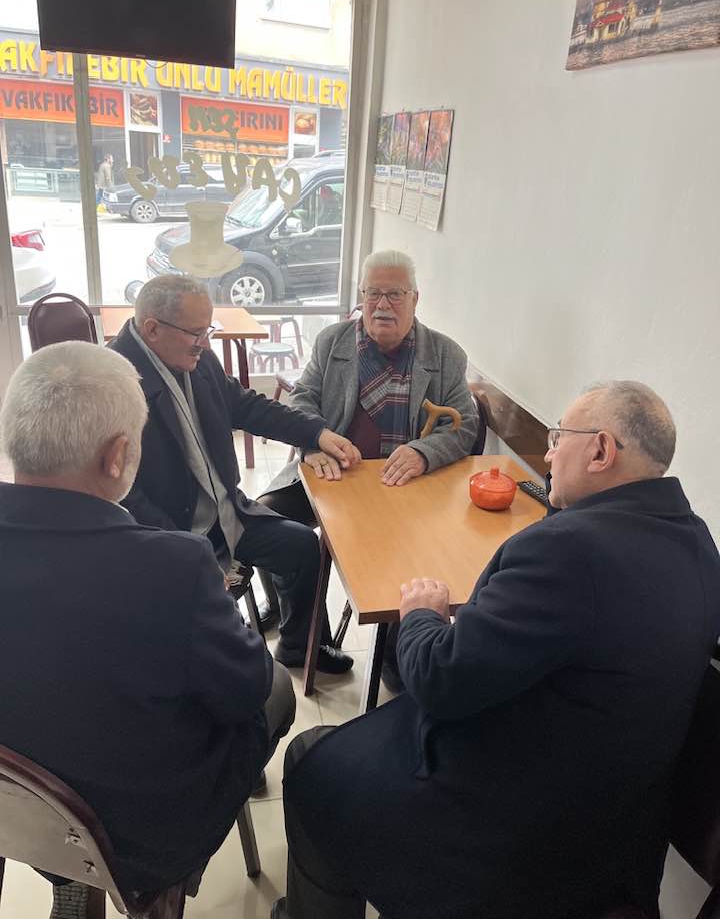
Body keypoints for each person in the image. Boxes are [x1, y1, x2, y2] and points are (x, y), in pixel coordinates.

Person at [273, 381, 720, 919]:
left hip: (518, 829)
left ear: (600, 450)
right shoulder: (698, 543)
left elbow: (438, 679)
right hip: (620, 826)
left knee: (312, 762)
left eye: (558, 437)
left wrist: (421, 614)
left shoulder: (567, 550)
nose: (548, 454)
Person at [0, 342, 296, 919]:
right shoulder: (173, 566)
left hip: (17, 794)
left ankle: (60, 866)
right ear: (117, 457)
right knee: (275, 686)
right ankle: (132, 873)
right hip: (133, 833)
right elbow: (244, 691)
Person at [110, 273, 358, 674]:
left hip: (227, 514)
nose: (205, 343)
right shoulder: (113, 382)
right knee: (220, 639)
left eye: (207, 330)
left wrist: (316, 434)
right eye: (195, 333)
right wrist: (185, 552)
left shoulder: (197, 359)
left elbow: (246, 406)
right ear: (152, 329)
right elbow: (123, 495)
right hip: (170, 531)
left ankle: (298, 647)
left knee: (302, 547)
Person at [260, 248, 478, 688]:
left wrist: (424, 452)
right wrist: (315, 440)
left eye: (395, 294)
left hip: (407, 486)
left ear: (415, 298)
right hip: (335, 475)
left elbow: (465, 426)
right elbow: (302, 399)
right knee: (266, 516)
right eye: (373, 293)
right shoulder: (333, 342)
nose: (382, 305)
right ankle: (302, 635)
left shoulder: (445, 354)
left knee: (412, 549)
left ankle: (399, 652)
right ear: (361, 296)